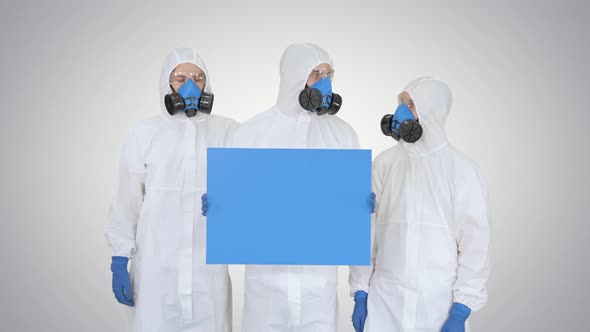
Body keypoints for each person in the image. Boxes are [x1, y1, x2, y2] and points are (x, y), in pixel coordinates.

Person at [229, 42, 364, 332]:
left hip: (319, 288)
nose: (325, 82)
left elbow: (351, 215)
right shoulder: (251, 133)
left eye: (329, 73)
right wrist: (224, 205)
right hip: (265, 288)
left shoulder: (342, 135)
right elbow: (238, 210)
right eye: (316, 73)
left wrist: (357, 206)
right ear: (293, 75)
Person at [106, 48, 237, 332]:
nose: (190, 85)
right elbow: (126, 199)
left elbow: (254, 187)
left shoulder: (229, 132)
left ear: (207, 83)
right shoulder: (144, 133)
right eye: (180, 78)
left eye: (198, 78)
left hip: (208, 270)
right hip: (156, 266)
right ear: (166, 83)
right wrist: (119, 257)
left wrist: (230, 200)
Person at [349, 77, 491, 332]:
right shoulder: (384, 164)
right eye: (401, 102)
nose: (402, 111)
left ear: (433, 111)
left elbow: (475, 242)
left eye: (411, 103)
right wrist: (360, 290)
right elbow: (366, 233)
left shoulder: (461, 169)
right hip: (385, 302)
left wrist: (462, 307)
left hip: (437, 305)